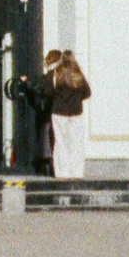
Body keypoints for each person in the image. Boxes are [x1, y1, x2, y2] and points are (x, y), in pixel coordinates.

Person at [48, 51, 92, 179]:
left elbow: (49, 90)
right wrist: (77, 98)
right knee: (76, 143)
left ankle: (62, 172)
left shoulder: (57, 74)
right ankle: (76, 172)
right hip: (75, 112)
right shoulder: (78, 75)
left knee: (61, 143)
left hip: (59, 112)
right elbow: (87, 92)